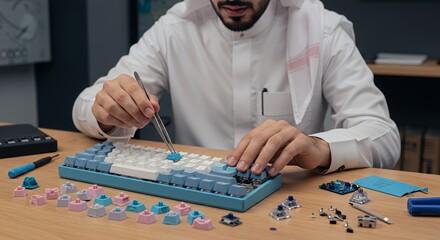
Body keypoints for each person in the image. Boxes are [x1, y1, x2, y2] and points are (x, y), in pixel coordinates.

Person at [73, 0, 400, 177]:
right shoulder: (174, 29)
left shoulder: (323, 30)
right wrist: (106, 111)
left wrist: (316, 148)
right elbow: (85, 105)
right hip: (193, 199)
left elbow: (384, 136)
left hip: (287, 201)